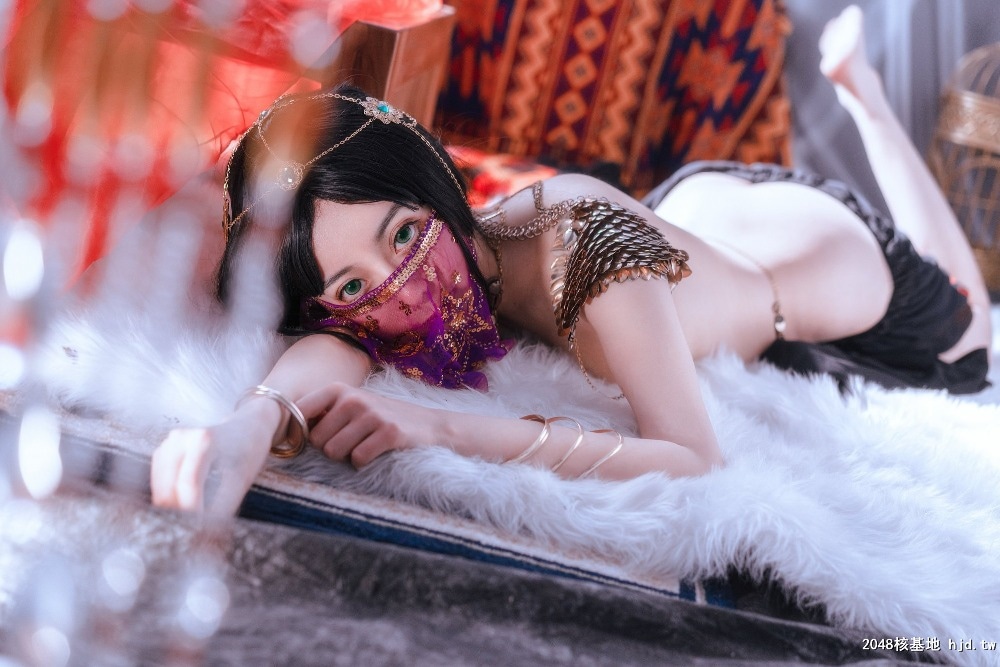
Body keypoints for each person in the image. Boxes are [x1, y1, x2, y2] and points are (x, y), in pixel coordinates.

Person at [151, 6, 993, 514]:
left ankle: (863, 95)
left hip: (824, 264)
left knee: (973, 335)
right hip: (692, 216)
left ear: (436, 184)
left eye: (403, 234)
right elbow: (339, 342)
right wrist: (249, 422)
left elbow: (695, 456)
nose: (402, 296)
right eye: (352, 285)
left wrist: (440, 426)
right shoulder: (420, 271)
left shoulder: (583, 243)